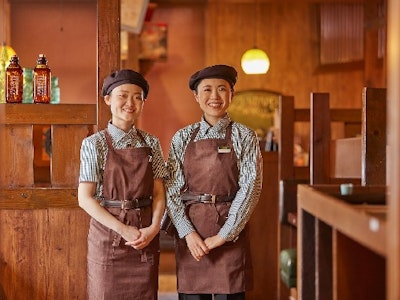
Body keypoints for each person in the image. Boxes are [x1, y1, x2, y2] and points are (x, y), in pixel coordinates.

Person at [165, 64, 263, 300]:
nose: (214, 97)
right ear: (196, 96)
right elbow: (171, 189)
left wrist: (224, 235)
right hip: (192, 233)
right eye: (207, 90)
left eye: (222, 89)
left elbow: (251, 187)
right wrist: (188, 233)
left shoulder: (245, 136)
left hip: (230, 232)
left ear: (232, 94)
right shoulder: (182, 137)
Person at [78, 69, 167, 299]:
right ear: (107, 99)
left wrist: (154, 228)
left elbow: (159, 193)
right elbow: (85, 198)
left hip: (143, 235)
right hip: (109, 237)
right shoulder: (93, 144)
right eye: (123, 95)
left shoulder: (152, 143)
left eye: (138, 97)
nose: (131, 102)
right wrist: (122, 229)